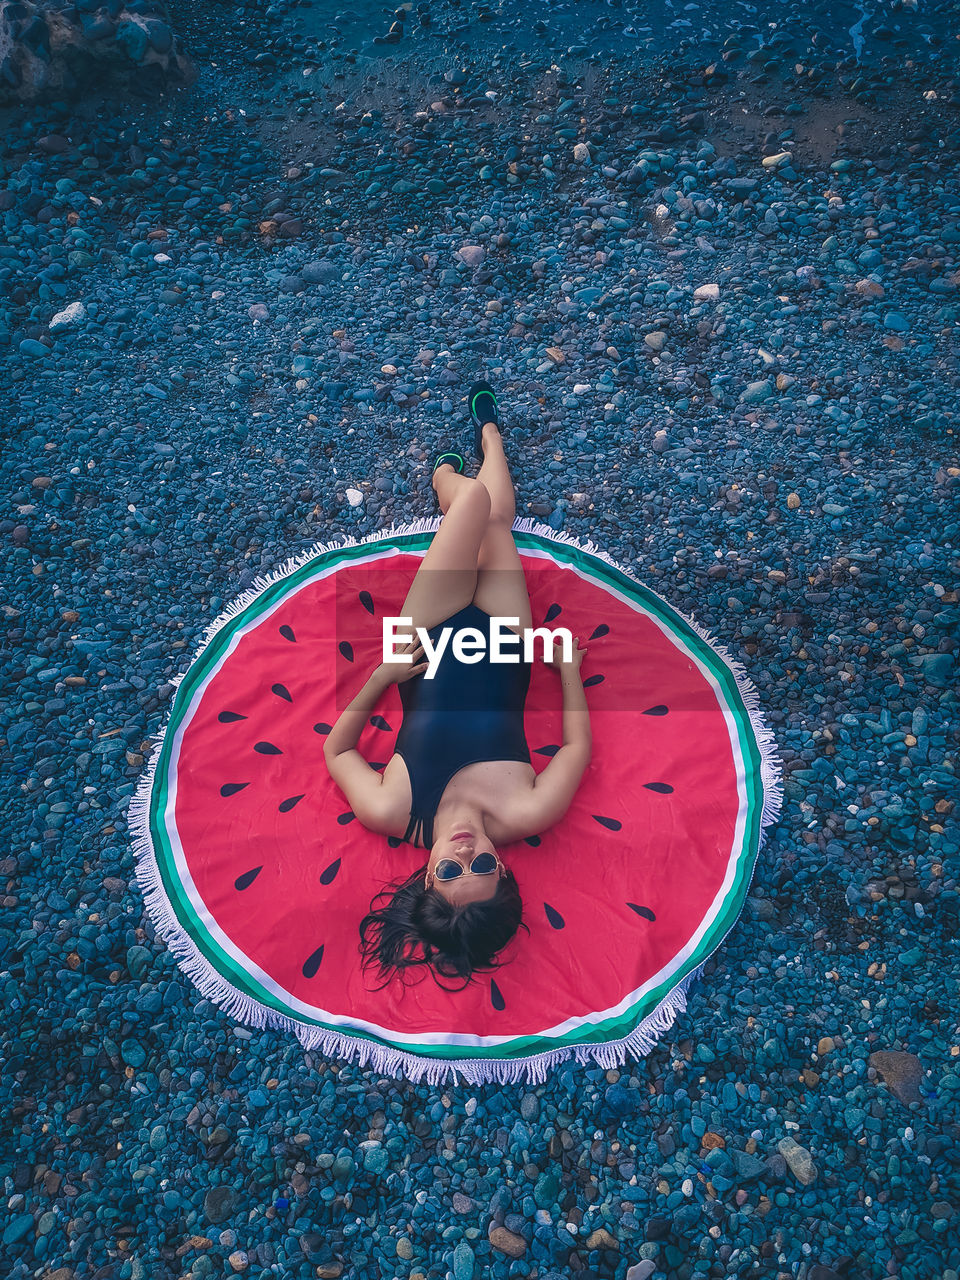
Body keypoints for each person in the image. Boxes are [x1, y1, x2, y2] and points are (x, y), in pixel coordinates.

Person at [323, 382, 592, 990]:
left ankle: (444, 472)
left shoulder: (391, 811)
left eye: (449, 868)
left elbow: (335, 752)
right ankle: (491, 434)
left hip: (423, 640)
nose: (465, 850)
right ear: (505, 872)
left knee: (471, 501)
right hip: (505, 642)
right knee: (496, 522)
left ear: (425, 876)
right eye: (482, 866)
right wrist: (569, 670)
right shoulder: (526, 810)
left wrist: (384, 675)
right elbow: (576, 749)